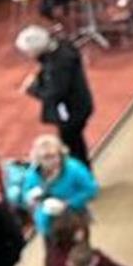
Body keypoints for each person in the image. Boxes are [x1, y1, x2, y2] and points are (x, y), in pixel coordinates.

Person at [18, 25, 95, 164]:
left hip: (71, 112)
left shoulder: (57, 66)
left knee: (73, 147)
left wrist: (32, 89)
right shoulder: (62, 48)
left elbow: (54, 93)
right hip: (80, 102)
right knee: (76, 143)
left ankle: (82, 178)